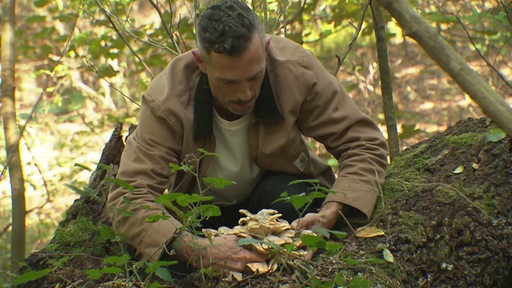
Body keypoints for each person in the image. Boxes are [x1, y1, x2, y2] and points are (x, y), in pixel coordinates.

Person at [107, 0, 388, 275]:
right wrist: (197, 249)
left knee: (295, 199)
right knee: (158, 257)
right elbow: (129, 197)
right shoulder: (168, 101)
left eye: (254, 77)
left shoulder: (295, 70)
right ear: (200, 62)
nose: (244, 94)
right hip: (202, 215)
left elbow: (362, 141)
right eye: (228, 82)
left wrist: (332, 210)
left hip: (279, 197)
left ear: (265, 50)